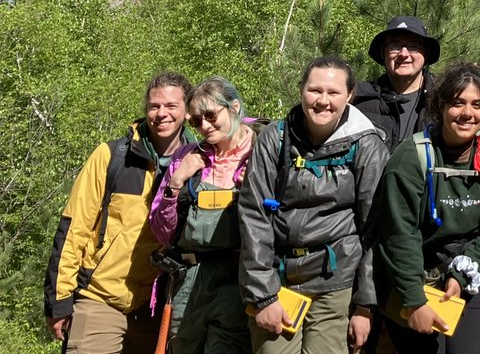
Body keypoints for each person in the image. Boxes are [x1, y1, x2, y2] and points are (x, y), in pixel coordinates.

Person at [239, 55, 386, 354]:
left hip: (337, 281)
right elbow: (253, 214)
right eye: (315, 90)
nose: (323, 101)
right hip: (277, 279)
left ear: (350, 95)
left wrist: (365, 305)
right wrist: (263, 295)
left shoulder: (366, 144)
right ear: (301, 89)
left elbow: (377, 227)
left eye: (333, 93)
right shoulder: (275, 138)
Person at [374, 62, 480, 354]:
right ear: (440, 107)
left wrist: (462, 275)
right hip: (414, 275)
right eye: (457, 103)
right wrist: (414, 299)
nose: (468, 113)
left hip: (470, 273)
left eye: (477, 104)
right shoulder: (410, 159)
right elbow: (399, 234)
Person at [44, 71, 193, 354]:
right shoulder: (112, 156)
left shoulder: (199, 163)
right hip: (100, 298)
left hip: (158, 307)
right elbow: (73, 227)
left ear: (187, 112)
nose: (161, 113)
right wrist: (59, 300)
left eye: (171, 106)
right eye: (154, 106)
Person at [148, 77, 260, 353]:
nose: (204, 127)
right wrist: (176, 183)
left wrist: (254, 189)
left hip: (238, 279)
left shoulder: (262, 152)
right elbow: (162, 232)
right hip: (189, 279)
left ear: (234, 108)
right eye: (196, 121)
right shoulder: (186, 158)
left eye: (211, 116)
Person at [355, 15, 439, 151]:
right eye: (395, 46)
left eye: (413, 46)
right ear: (383, 53)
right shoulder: (361, 98)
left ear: (426, 53)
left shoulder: (444, 98)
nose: (403, 53)